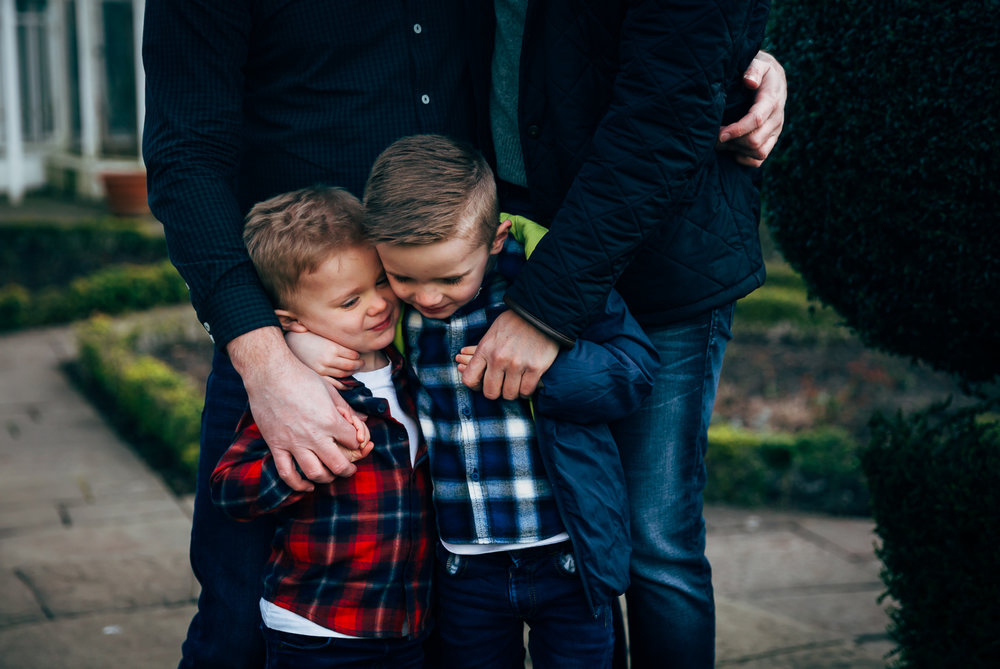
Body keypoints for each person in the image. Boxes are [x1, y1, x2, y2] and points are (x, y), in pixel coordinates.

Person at [141, 1, 785, 665]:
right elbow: (184, 151)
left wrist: (727, 63)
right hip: (298, 325)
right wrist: (266, 359)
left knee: (454, 604)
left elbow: (581, 42)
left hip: (466, 295)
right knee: (238, 613)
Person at [459, 2, 779, 667]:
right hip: (516, 243)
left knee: (654, 541)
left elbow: (664, 115)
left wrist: (543, 310)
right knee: (568, 538)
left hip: (663, 262)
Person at [289, 133, 658, 667]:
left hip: (568, 555)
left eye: (451, 277)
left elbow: (634, 371)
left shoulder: (546, 282)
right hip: (464, 568)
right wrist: (302, 340)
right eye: (404, 276)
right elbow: (333, 319)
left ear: (496, 237)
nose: (429, 296)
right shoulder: (394, 313)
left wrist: (546, 372)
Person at [209, 186, 432, 668]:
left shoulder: (410, 366)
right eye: (350, 301)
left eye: (382, 281)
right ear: (293, 322)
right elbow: (229, 489)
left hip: (407, 622)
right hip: (318, 628)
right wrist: (304, 466)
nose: (378, 305)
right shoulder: (300, 390)